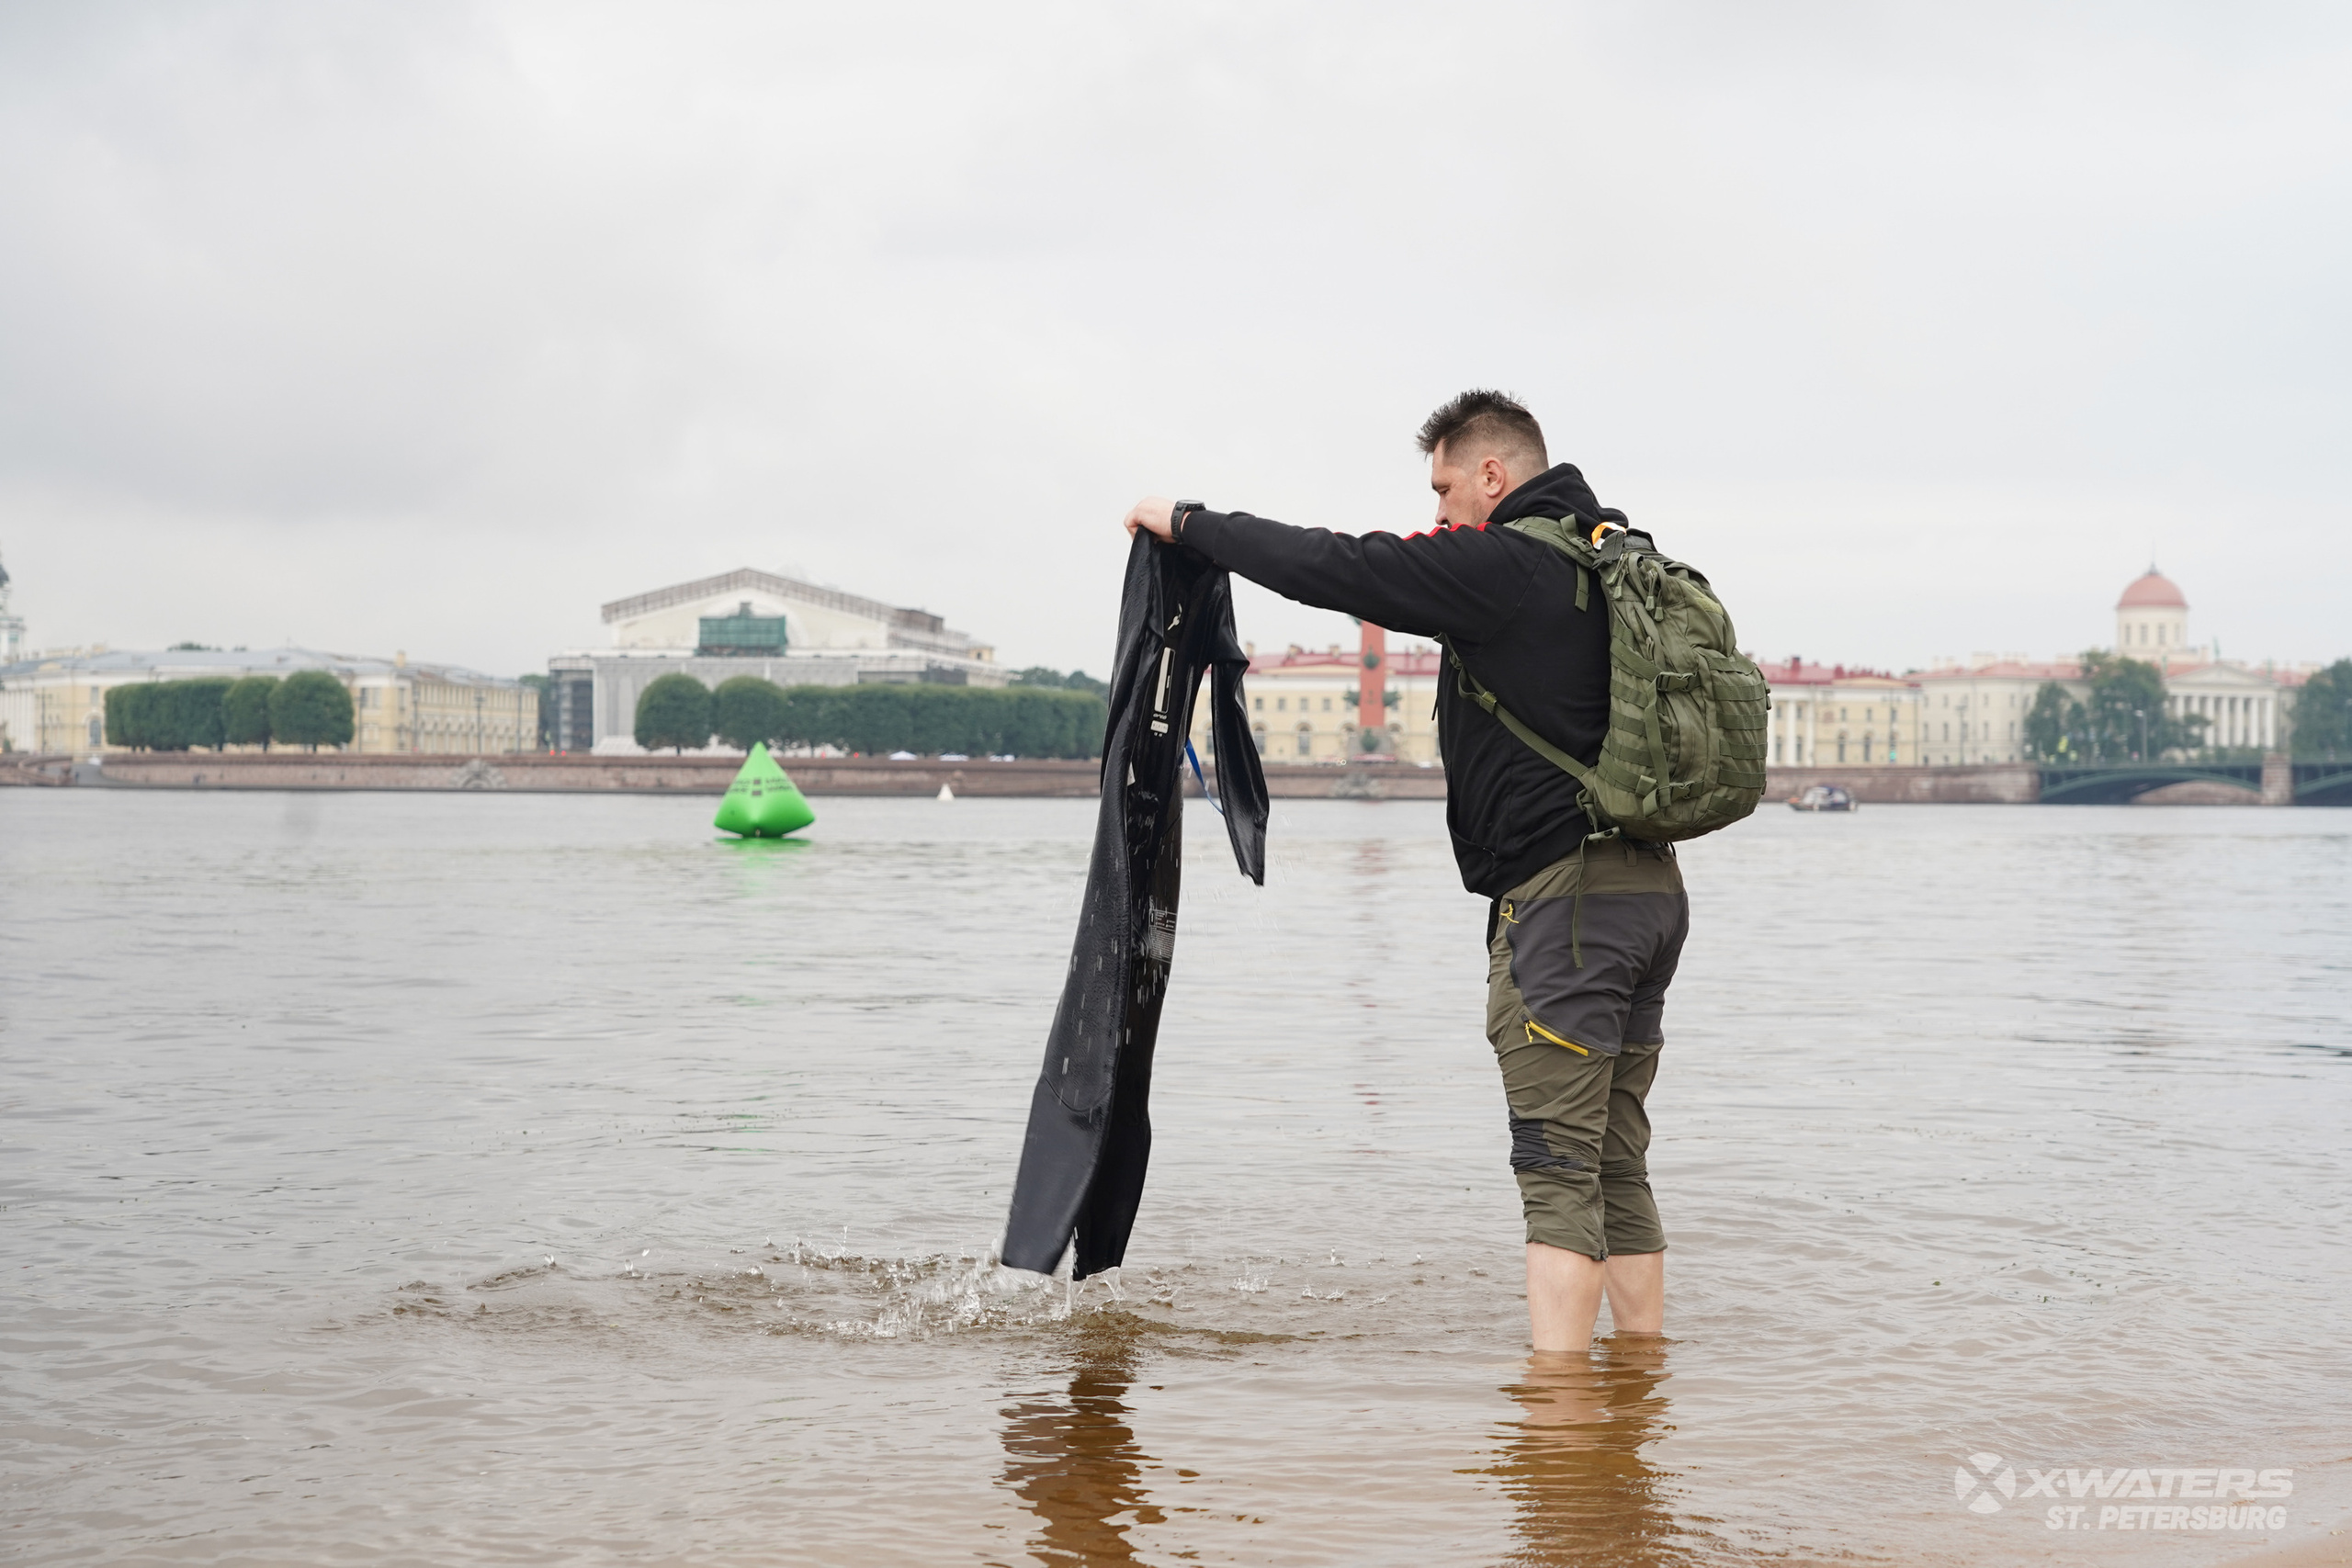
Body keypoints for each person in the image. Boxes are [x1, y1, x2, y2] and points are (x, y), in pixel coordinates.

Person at [1120, 389, 1690, 1352]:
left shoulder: (1508, 562)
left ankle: (1558, 1428)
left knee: (1556, 1169)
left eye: (1444, 489)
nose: (1438, 514)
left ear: (1492, 476)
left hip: (1565, 909)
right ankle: (1636, 1391)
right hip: (1650, 891)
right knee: (1615, 1164)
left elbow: (1341, 568)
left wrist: (1191, 526)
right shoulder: (1617, 558)